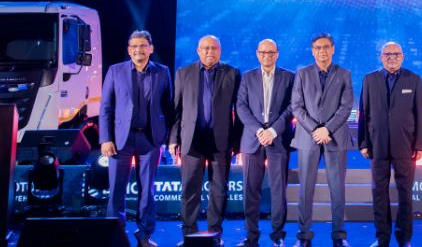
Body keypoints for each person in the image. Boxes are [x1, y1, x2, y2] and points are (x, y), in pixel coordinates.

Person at [100, 30, 173, 247]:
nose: (138, 50)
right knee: (116, 190)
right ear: (128, 50)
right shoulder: (115, 71)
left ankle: (144, 236)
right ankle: (116, 236)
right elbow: (105, 107)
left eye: (142, 46)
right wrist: (105, 139)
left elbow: (168, 106)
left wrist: (166, 137)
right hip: (119, 140)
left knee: (147, 190)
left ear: (151, 49)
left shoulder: (162, 72)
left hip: (150, 140)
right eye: (134, 46)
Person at [169, 35, 241, 242]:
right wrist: (173, 139)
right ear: (198, 51)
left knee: (219, 190)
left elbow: (239, 110)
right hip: (192, 139)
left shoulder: (232, 73)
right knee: (189, 189)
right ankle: (189, 233)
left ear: (220, 51)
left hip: (221, 141)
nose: (210, 52)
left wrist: (236, 141)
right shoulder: (183, 73)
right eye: (206, 48)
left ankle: (215, 233)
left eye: (214, 48)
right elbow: (177, 110)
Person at [358, 42, 422, 247]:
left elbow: (420, 114)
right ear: (381, 57)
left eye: (396, 54)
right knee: (379, 192)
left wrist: (419, 144)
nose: (392, 57)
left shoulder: (414, 79)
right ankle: (382, 237)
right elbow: (364, 112)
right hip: (377, 145)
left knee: (405, 193)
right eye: (387, 54)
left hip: (406, 145)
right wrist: (363, 142)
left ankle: (404, 238)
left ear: (403, 57)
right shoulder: (370, 79)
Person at [290, 33, 353, 247]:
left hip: (335, 138)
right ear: (312, 51)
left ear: (333, 49)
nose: (322, 51)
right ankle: (303, 236)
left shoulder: (344, 74)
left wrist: (327, 129)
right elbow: (297, 106)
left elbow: (346, 107)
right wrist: (316, 129)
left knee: (337, 190)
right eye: (317, 48)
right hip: (308, 138)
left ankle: (339, 237)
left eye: (326, 47)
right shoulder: (302, 74)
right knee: (305, 190)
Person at [236, 39, 295, 247]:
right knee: (250, 191)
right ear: (257, 54)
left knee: (279, 191)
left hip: (278, 140)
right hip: (253, 139)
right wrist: (259, 130)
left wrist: (273, 130)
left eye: (270, 52)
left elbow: (292, 107)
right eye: (263, 52)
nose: (266, 55)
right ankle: (251, 236)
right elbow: (241, 106)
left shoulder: (289, 77)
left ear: (277, 54)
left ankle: (278, 236)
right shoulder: (247, 77)